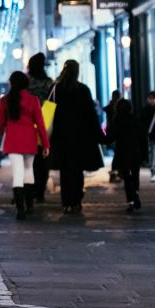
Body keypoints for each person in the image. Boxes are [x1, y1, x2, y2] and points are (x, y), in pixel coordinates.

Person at [0, 71, 49, 220]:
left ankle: (20, 210)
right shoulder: (33, 100)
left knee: (17, 174)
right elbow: (40, 124)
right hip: (29, 140)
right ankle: (30, 205)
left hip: (13, 140)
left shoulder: (5, 101)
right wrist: (46, 144)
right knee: (29, 171)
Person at [47, 60, 104, 214]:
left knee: (65, 171)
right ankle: (77, 200)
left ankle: (66, 202)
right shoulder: (83, 90)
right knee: (77, 170)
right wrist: (99, 135)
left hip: (61, 136)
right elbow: (91, 115)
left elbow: (47, 112)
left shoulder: (56, 89)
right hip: (80, 136)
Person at [104, 98, 147, 214]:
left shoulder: (117, 122)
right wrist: (145, 155)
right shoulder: (137, 120)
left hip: (123, 153)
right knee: (135, 174)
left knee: (127, 177)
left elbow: (109, 138)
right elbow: (144, 139)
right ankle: (136, 193)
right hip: (136, 152)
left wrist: (100, 138)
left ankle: (131, 202)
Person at [24, 53, 53, 200]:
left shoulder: (26, 82)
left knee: (29, 157)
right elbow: (52, 102)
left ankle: (31, 187)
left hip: (27, 122)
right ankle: (40, 189)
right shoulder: (48, 83)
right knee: (43, 156)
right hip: (45, 121)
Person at [104, 90, 124, 183]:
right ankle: (118, 173)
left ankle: (116, 173)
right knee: (118, 154)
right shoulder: (117, 107)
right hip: (116, 133)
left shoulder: (111, 107)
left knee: (118, 154)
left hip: (113, 133)